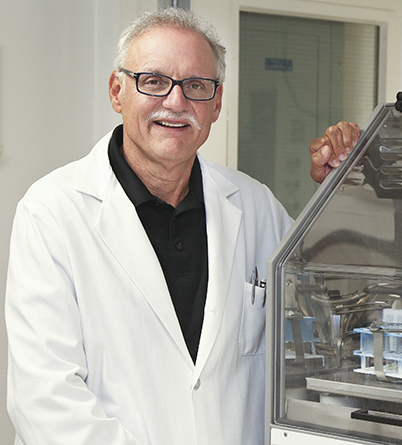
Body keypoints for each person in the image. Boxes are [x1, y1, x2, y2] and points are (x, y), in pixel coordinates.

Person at [5, 7, 358, 445]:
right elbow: (44, 401)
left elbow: (330, 316)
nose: (176, 102)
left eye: (195, 86)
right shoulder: (52, 212)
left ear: (217, 103)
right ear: (118, 91)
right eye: (153, 81)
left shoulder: (255, 206)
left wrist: (347, 191)